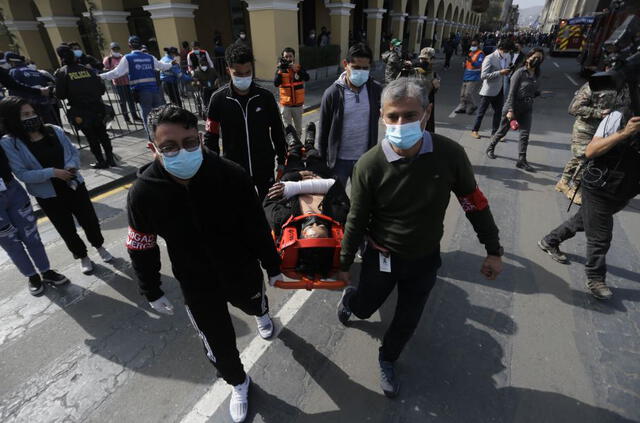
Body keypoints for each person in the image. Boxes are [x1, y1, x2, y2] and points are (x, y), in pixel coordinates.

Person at [337, 78, 503, 398]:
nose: (401, 123)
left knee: (408, 319)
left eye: (410, 115)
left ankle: (388, 358)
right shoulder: (369, 165)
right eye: (393, 116)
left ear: (426, 113)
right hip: (381, 256)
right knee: (364, 308)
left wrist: (493, 250)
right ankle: (352, 301)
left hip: (425, 259)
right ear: (382, 118)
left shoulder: (450, 154)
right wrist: (344, 262)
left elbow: (474, 203)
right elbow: (356, 218)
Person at [126, 104, 282, 423]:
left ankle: (263, 314)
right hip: (195, 281)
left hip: (240, 269)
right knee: (217, 343)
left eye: (189, 143)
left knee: (255, 303)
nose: (182, 152)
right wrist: (151, 289)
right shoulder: (143, 193)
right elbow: (141, 243)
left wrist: (273, 265)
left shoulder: (231, 174)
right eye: (169, 147)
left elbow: (255, 225)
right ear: (152, 149)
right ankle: (238, 383)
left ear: (199, 138)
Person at [0, 97, 113, 275]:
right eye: (25, 115)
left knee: (89, 220)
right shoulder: (9, 142)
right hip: (48, 194)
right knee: (66, 228)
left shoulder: (53, 130)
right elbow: (22, 174)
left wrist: (71, 166)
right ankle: (82, 256)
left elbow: (72, 153)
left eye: (33, 113)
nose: (32, 117)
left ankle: (99, 247)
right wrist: (52, 172)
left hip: (73, 185)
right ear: (13, 119)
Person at [538, 112, 640, 300]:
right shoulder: (618, 116)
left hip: (624, 190)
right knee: (601, 236)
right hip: (599, 185)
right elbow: (591, 150)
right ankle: (595, 278)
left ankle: (550, 240)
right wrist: (625, 132)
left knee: (584, 220)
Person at [264, 123, 350, 278]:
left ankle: (293, 146)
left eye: (311, 226)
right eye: (320, 226)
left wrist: (295, 180)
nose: (315, 221)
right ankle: (309, 145)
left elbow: (268, 200)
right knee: (315, 157)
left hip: (294, 178)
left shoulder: (282, 219)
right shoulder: (338, 216)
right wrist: (319, 182)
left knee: (294, 158)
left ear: (301, 233)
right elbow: (337, 187)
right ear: (329, 233)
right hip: (321, 176)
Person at [204, 43, 286, 200]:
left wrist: (282, 160)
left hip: (264, 166)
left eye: (248, 72)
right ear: (228, 71)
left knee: (268, 208)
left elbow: (277, 130)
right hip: (234, 168)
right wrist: (212, 167)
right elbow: (211, 137)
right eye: (238, 74)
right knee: (240, 211)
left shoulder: (265, 97)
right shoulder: (218, 99)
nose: (244, 77)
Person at [0, 145, 68, 295]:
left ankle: (46, 271)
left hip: (12, 189)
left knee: (31, 236)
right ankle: (32, 277)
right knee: (11, 243)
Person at [318, 43, 382, 187]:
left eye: (365, 68)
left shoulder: (375, 90)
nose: (361, 72)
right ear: (346, 64)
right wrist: (322, 162)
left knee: (362, 203)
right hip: (338, 161)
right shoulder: (332, 94)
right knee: (336, 202)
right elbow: (323, 131)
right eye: (356, 67)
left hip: (365, 160)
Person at [556, 81, 630, 205]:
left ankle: (563, 182)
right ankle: (575, 190)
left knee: (579, 158)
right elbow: (574, 108)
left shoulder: (624, 87)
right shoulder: (595, 84)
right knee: (585, 158)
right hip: (585, 130)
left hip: (603, 132)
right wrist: (599, 113)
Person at [55, 44, 116, 169]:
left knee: (91, 137)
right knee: (103, 134)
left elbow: (60, 95)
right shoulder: (87, 69)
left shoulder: (62, 72)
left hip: (80, 110)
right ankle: (110, 159)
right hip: (97, 107)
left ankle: (101, 161)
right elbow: (101, 89)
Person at [100, 35, 174, 135]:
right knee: (160, 115)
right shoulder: (150, 57)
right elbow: (163, 66)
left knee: (147, 116)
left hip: (142, 92)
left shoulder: (128, 58)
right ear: (140, 45)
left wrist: (100, 76)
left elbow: (116, 73)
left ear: (130, 46)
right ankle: (165, 134)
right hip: (154, 90)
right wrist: (172, 64)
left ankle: (152, 138)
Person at [486, 48, 545, 171]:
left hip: (527, 108)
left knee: (525, 134)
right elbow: (511, 93)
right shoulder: (519, 73)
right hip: (513, 107)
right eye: (534, 57)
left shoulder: (537, 74)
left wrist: (537, 93)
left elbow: (532, 91)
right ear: (528, 57)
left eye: (539, 58)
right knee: (502, 131)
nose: (536, 60)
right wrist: (510, 110)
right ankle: (490, 148)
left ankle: (521, 160)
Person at [470, 40, 512, 139]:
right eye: (506, 51)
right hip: (488, 90)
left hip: (500, 89)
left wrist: (508, 71)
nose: (507, 54)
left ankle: (495, 133)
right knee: (481, 112)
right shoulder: (489, 58)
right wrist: (500, 72)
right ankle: (474, 130)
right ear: (500, 49)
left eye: (509, 52)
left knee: (499, 112)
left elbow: (506, 69)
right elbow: (483, 75)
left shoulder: (507, 57)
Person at [5, 52, 58, 125]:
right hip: (44, 104)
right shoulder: (35, 71)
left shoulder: (13, 72)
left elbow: (14, 92)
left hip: (28, 108)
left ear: (11, 62)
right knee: (50, 127)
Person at [274, 47, 310, 136]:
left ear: (294, 57)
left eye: (290, 56)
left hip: (297, 106)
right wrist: (280, 70)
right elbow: (276, 83)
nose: (288, 59)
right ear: (283, 58)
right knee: (288, 131)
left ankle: (299, 148)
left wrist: (297, 70)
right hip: (286, 106)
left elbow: (307, 77)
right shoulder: (280, 70)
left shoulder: (299, 68)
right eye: (286, 57)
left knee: (298, 130)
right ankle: (290, 148)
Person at [103, 42, 141, 124]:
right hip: (118, 83)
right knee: (123, 101)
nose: (116, 50)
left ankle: (135, 116)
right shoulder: (108, 59)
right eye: (114, 49)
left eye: (117, 48)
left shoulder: (123, 57)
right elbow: (105, 70)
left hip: (128, 82)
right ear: (111, 50)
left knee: (131, 100)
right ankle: (126, 118)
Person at [454, 39, 484, 115]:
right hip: (466, 75)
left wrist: (471, 61)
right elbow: (468, 64)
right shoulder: (471, 53)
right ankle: (462, 107)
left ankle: (473, 105)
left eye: (474, 45)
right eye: (472, 45)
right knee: (463, 93)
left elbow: (479, 65)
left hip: (474, 77)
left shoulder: (480, 54)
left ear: (478, 46)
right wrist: (464, 64)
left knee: (468, 93)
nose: (472, 47)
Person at [414, 48, 440, 133]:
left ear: (432, 60)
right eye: (421, 59)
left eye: (425, 59)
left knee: (428, 128)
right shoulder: (414, 71)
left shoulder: (434, 74)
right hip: (414, 104)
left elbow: (435, 90)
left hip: (427, 105)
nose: (422, 61)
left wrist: (435, 85)